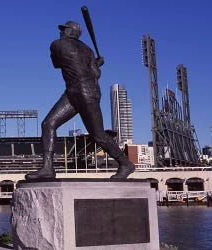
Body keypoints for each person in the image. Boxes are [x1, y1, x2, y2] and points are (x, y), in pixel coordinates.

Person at [25, 21, 135, 180]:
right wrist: (97, 63)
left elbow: (56, 64)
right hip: (76, 91)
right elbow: (96, 74)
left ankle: (125, 164)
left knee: (98, 134)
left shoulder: (57, 44)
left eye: (64, 29)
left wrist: (93, 64)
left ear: (71, 32)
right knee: (48, 124)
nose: (61, 32)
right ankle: (47, 168)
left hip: (83, 92)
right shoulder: (88, 50)